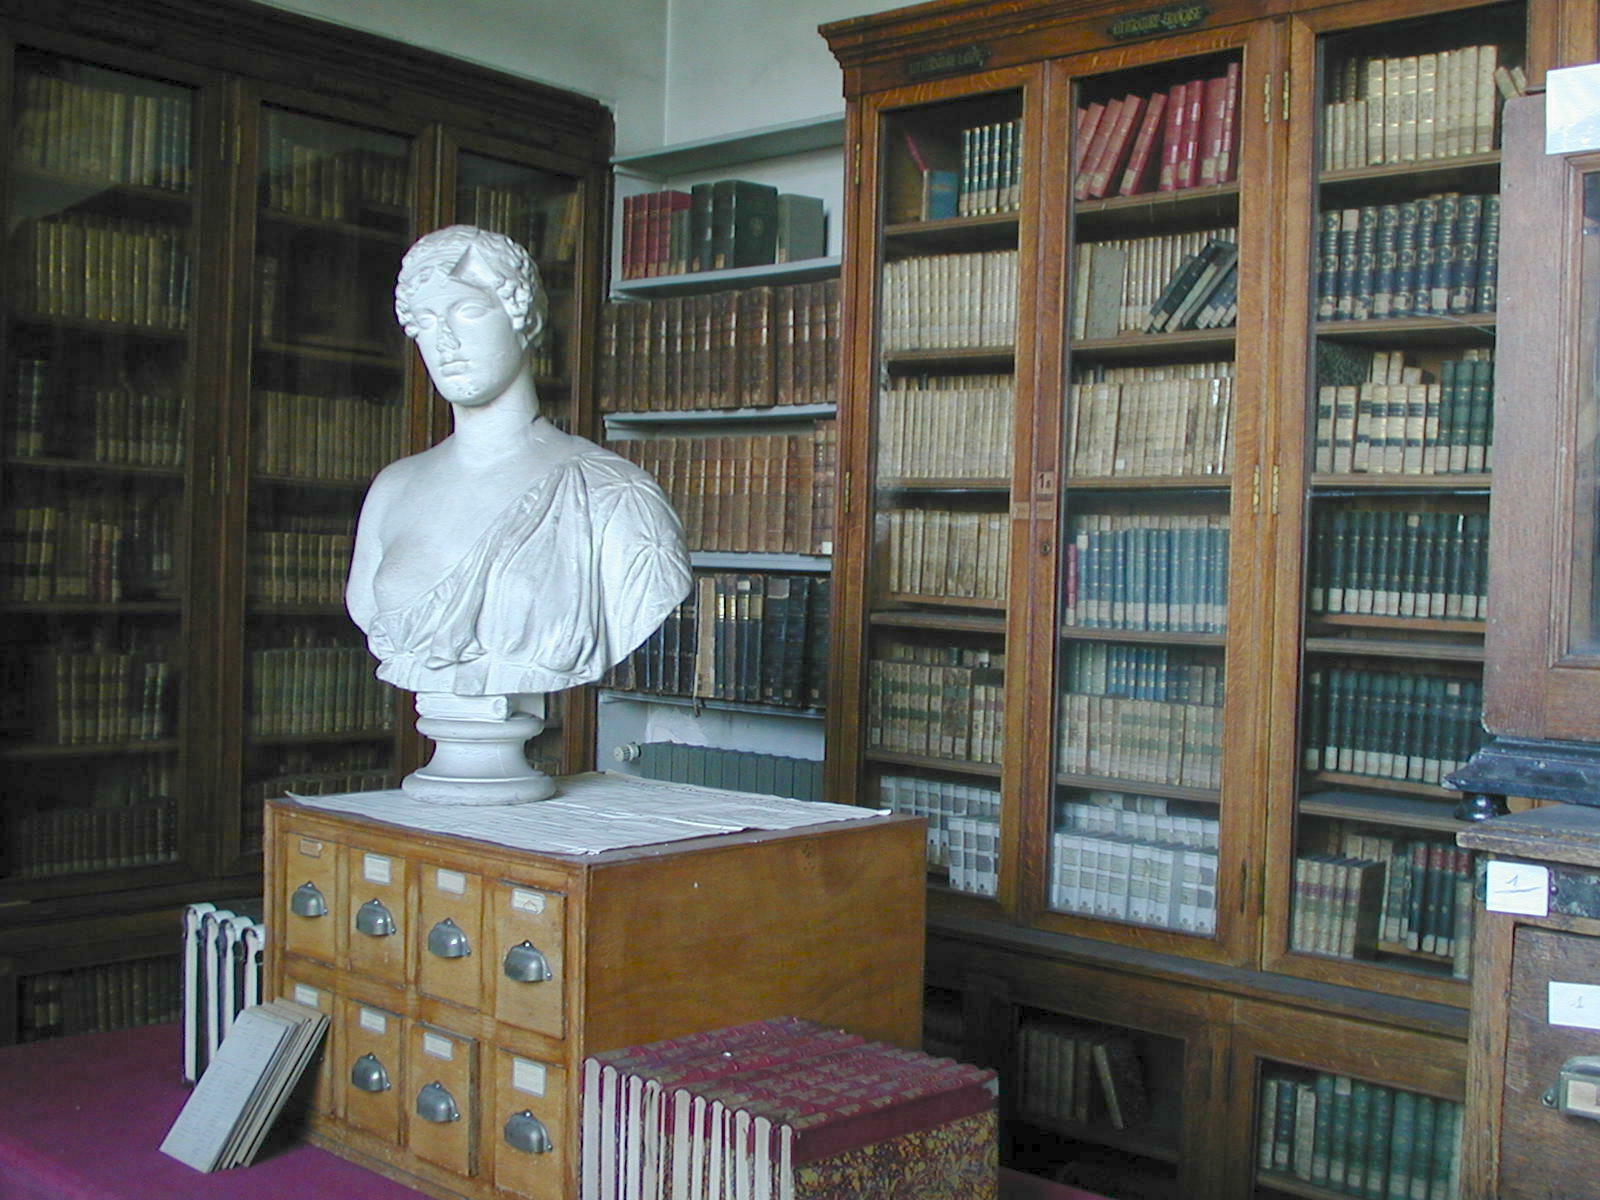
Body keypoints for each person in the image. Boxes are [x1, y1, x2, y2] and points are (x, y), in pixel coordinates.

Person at [346, 225, 691, 700]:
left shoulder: (613, 493)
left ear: (523, 318)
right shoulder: (394, 487)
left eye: (467, 311)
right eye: (426, 320)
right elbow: (365, 606)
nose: (444, 339)